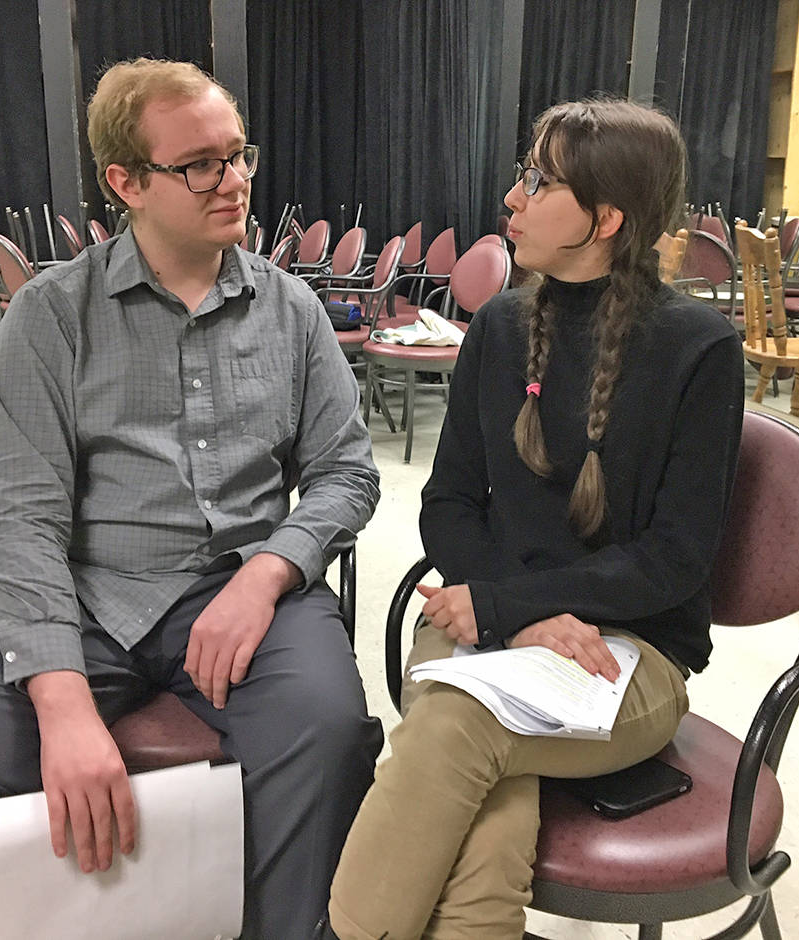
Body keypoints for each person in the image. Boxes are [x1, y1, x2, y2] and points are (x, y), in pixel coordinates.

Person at [0, 58, 383, 940]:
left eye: (239, 155)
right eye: (201, 165)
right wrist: (61, 698)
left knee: (330, 737)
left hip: (237, 591)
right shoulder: (51, 318)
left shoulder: (292, 311)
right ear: (126, 182)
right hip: (82, 588)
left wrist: (265, 574)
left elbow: (348, 471)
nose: (234, 183)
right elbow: (23, 519)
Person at [327, 98, 745, 939]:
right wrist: (523, 617)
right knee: (487, 831)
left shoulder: (698, 349)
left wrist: (507, 605)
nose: (512, 199)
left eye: (538, 180)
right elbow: (448, 502)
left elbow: (674, 559)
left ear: (607, 217)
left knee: (452, 729)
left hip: (628, 655)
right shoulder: (501, 325)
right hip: (490, 620)